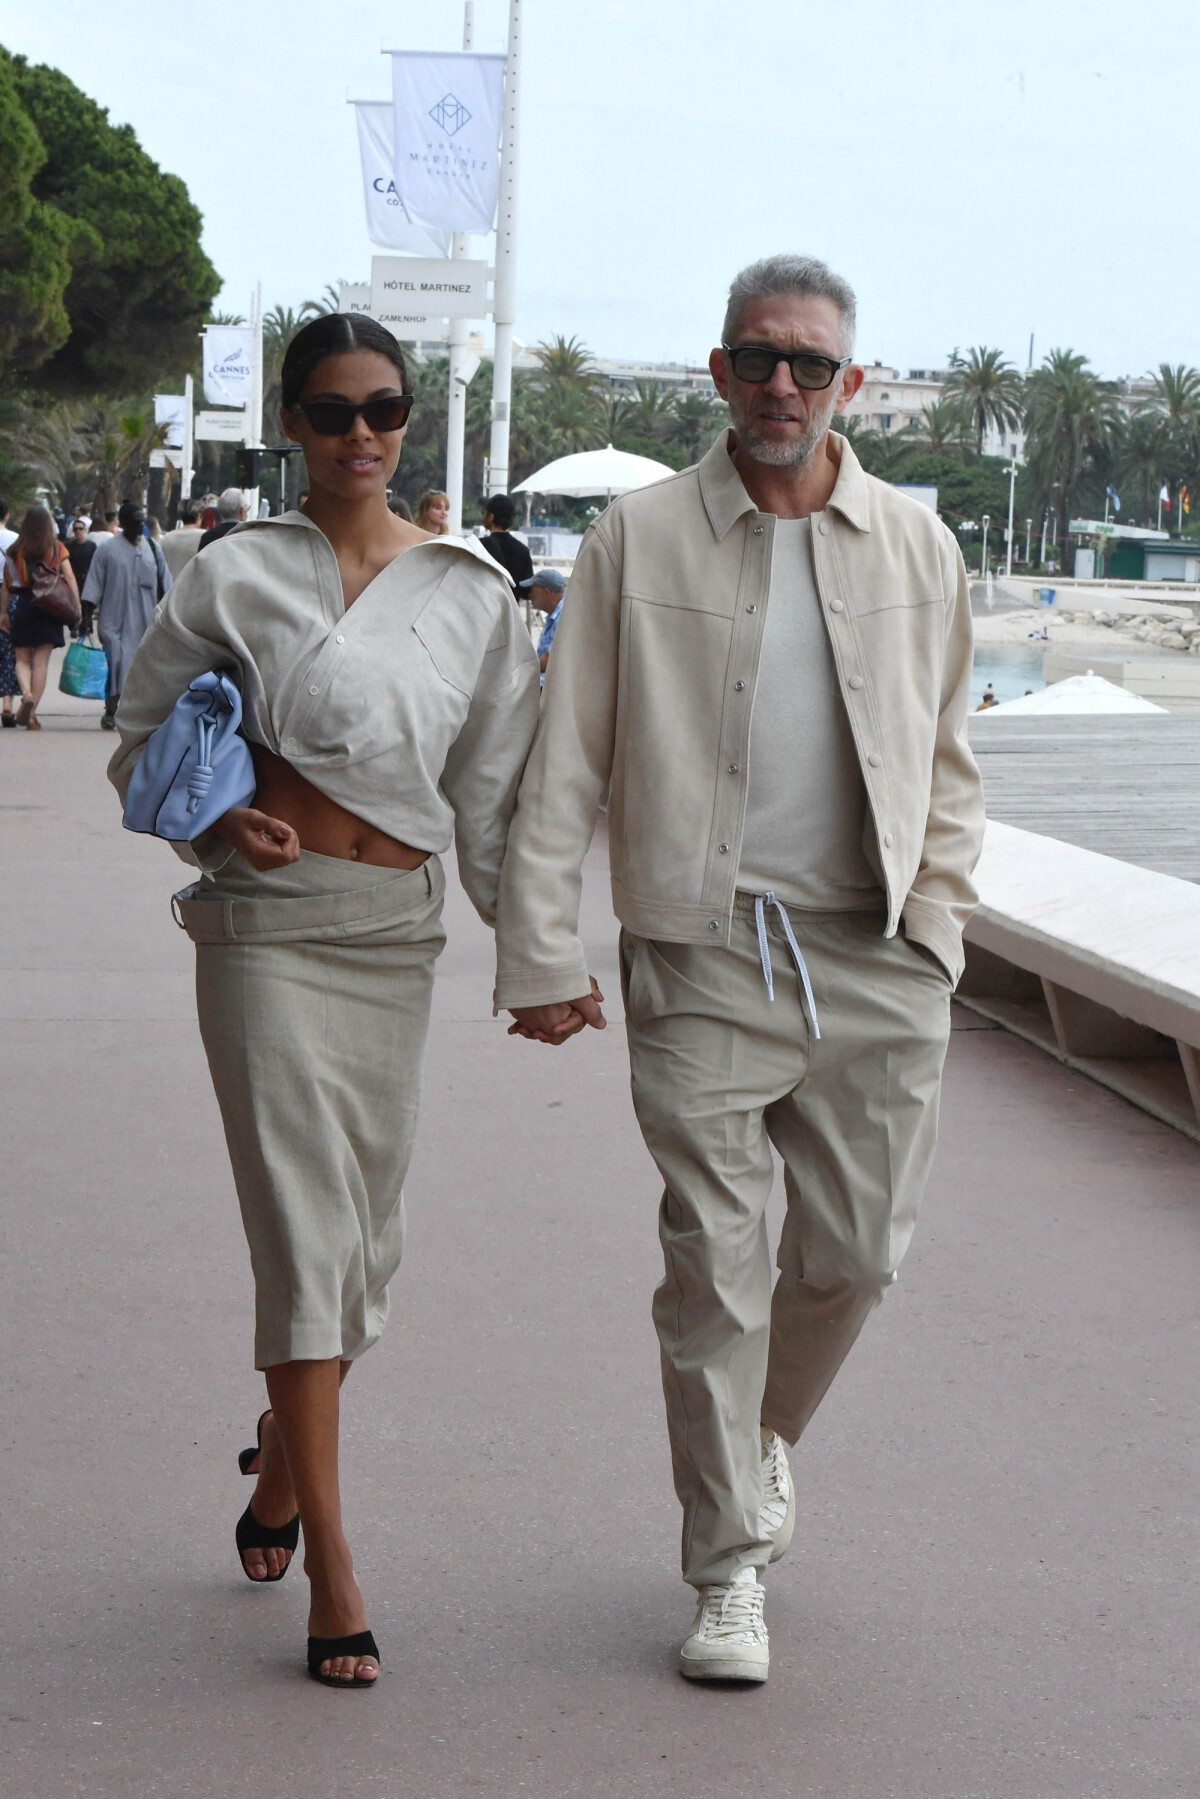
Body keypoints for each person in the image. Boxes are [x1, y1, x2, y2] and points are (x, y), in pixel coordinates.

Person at [494, 254, 984, 1685]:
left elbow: (952, 759)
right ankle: (726, 1570)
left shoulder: (916, 545)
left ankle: (765, 1437)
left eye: (810, 365)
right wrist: (541, 949)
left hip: (879, 954)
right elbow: (565, 755)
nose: (781, 385)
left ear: (853, 382)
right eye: (756, 358)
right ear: (717, 371)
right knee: (716, 1264)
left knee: (856, 1253)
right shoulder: (638, 538)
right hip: (705, 953)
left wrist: (941, 924)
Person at [108, 312, 539, 1690]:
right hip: (263, 931)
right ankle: (338, 1570)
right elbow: (140, 748)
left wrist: (543, 964)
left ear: (408, 421)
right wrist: (217, 828)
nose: (364, 433)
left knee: (367, 1248)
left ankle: (283, 1470)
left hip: (395, 935)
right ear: (289, 422)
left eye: (386, 409)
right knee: (303, 1230)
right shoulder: (234, 575)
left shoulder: (470, 590)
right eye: (335, 409)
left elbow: (494, 800)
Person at [82, 500, 170, 730]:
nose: (140, 524)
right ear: (123, 523)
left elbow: (166, 585)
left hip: (144, 621)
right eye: (135, 521)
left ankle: (137, 711)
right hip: (114, 621)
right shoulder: (107, 549)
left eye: (142, 520)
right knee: (116, 663)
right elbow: (93, 586)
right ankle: (112, 709)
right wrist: (85, 618)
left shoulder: (153, 547)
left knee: (140, 667)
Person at [0, 505, 81, 729]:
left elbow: (8, 584)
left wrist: (3, 612)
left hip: (24, 604)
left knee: (21, 659)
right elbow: (70, 577)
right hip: (49, 606)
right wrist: (77, 607)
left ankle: (26, 693)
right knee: (40, 662)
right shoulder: (56, 548)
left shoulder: (15, 550)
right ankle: (32, 713)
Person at [480, 494, 534, 596]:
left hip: (486, 608)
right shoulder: (523, 550)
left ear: (491, 517)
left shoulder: (480, 547)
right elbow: (526, 590)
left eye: (484, 512)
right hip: (512, 609)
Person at [521, 568, 567, 680]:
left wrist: (519, 673)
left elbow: (547, 661)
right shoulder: (557, 616)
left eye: (532, 590)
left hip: (549, 690)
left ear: (546, 592)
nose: (530, 595)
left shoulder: (562, 619)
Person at [161, 499, 206, 581]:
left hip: (172, 589)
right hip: (196, 589)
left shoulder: (167, 538)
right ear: (198, 516)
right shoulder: (206, 537)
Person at [67, 517, 98, 632]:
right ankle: (75, 626)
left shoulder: (92, 546)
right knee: (75, 603)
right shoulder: (69, 546)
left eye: (80, 529)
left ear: (85, 530)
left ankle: (87, 624)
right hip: (74, 579)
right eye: (75, 529)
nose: (78, 531)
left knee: (87, 604)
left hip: (88, 579)